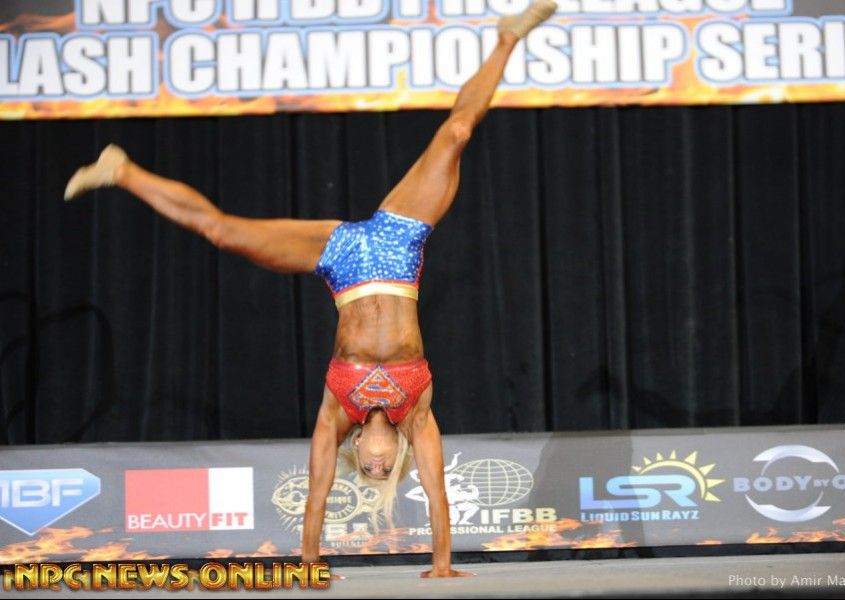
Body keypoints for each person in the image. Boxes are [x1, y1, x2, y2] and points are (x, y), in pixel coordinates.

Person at [64, 1, 558, 578]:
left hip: (341, 261)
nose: (376, 468)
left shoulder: (336, 414)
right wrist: (442, 564)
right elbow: (438, 493)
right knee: (455, 132)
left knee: (222, 233)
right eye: (384, 472)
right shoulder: (418, 415)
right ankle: (508, 38)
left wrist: (308, 564)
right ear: (395, 455)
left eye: (368, 471)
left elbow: (317, 496)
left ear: (359, 453)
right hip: (397, 246)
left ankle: (121, 170)